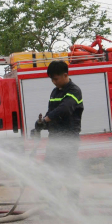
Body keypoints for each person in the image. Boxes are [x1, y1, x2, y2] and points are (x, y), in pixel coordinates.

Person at [40, 60, 84, 202]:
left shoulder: (74, 90)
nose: (53, 82)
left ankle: (73, 202)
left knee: (69, 171)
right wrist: (41, 123)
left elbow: (65, 108)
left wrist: (47, 119)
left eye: (56, 78)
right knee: (51, 171)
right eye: (52, 79)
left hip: (69, 138)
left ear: (65, 75)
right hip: (55, 138)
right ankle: (53, 202)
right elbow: (51, 111)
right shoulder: (55, 91)